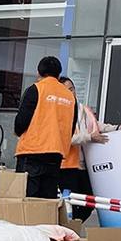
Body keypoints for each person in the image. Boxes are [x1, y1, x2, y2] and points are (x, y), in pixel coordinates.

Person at [14, 55, 76, 198]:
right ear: (58, 74)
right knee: (47, 201)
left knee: (25, 199)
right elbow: (71, 127)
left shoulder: (35, 89)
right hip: (56, 155)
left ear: (38, 72)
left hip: (32, 153)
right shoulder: (70, 97)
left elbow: (21, 123)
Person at [58, 76, 117, 222]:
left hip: (84, 165)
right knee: (71, 202)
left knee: (89, 201)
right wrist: (90, 137)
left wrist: (116, 128)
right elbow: (65, 139)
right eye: (66, 90)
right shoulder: (58, 112)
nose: (70, 93)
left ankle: (72, 225)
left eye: (72, 89)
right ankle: (68, 226)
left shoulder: (81, 109)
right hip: (66, 165)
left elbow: (95, 125)